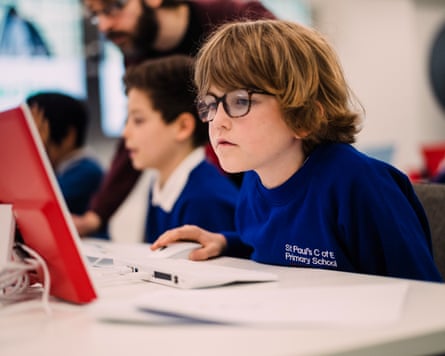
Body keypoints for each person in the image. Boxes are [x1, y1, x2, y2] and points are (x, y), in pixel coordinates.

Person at [151, 19, 443, 282]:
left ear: (304, 117)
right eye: (210, 104)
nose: (217, 122)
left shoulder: (358, 184)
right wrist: (225, 243)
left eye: (240, 101)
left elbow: (424, 294)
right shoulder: (255, 177)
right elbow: (273, 244)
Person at [73, 0, 275, 237]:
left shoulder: (240, 18)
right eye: (96, 16)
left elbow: (294, 94)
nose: (105, 26)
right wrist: (96, 215)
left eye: (112, 9)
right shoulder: (139, 52)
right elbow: (132, 142)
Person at [122, 54, 238, 242]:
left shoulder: (206, 200)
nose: (125, 133)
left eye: (138, 120)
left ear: (183, 127)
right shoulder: (160, 186)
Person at [26, 92, 105, 223]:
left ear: (69, 135)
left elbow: (38, 204)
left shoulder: (87, 171)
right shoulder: (61, 170)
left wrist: (35, 155)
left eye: (37, 133)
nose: (31, 143)